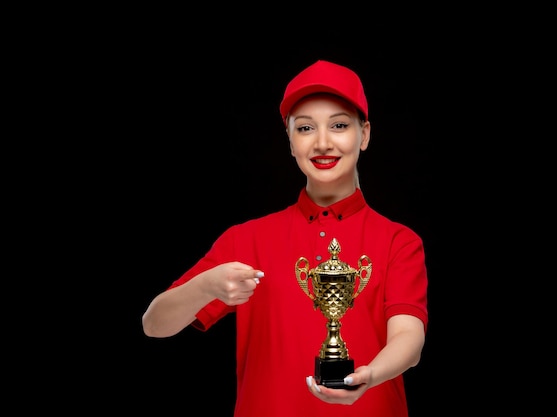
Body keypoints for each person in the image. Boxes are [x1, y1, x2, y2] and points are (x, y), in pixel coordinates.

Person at [142, 59, 428, 417]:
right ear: (290, 141)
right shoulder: (246, 239)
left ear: (365, 134)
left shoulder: (399, 241)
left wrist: (372, 376)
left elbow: (409, 339)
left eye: (339, 125)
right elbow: (154, 325)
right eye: (305, 128)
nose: (323, 143)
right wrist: (205, 286)